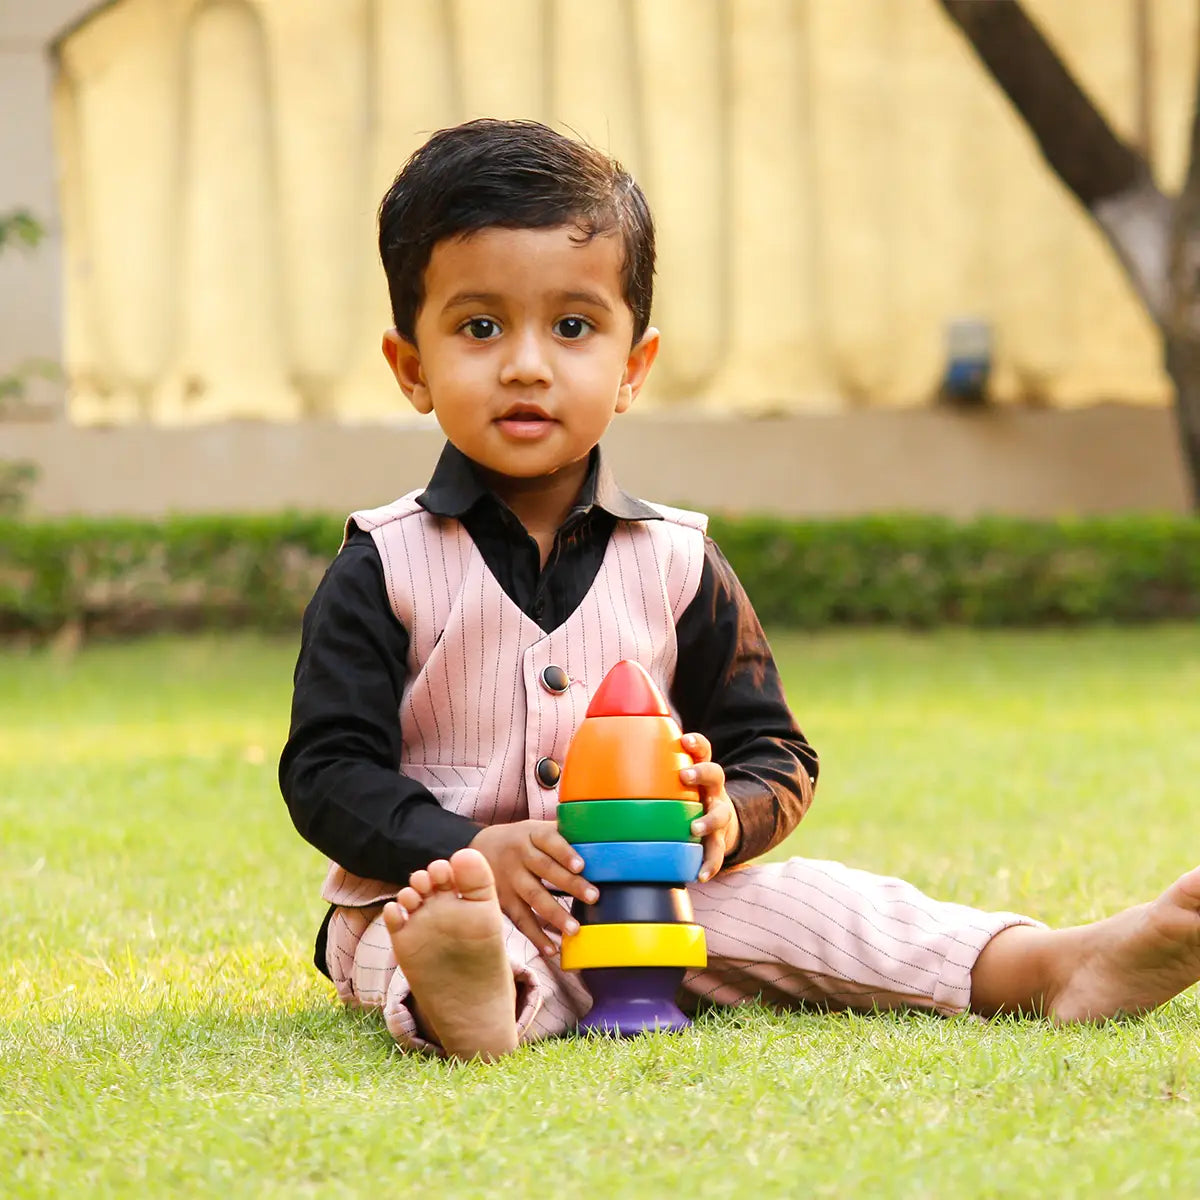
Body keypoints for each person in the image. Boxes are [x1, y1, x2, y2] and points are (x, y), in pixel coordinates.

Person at [279, 118, 1200, 1061]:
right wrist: (467, 846)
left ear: (633, 366)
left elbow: (774, 749)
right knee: (437, 935)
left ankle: (1054, 966)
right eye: (480, 327)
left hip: (659, 902)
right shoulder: (383, 564)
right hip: (429, 890)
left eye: (572, 326)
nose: (527, 362)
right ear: (411, 367)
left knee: (827, 907)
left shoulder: (677, 560)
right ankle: (471, 994)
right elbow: (325, 773)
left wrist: (731, 814)